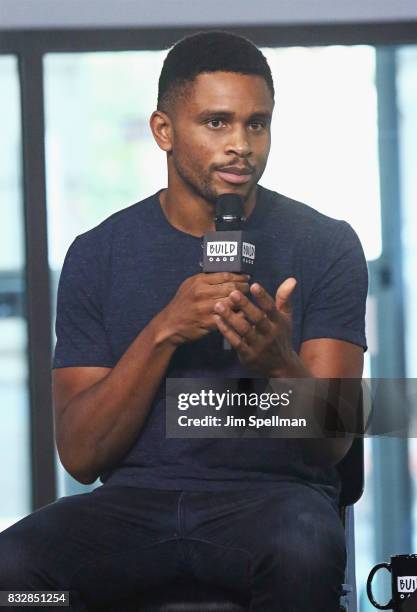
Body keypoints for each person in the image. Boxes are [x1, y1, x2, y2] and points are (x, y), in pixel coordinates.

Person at [0, 30, 368, 611]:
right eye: (217, 123)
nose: (241, 145)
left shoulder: (325, 245)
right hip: (134, 506)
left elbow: (336, 442)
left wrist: (277, 361)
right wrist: (165, 329)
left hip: (272, 500)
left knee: (305, 548)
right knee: (13, 572)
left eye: (257, 123)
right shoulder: (98, 254)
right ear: (163, 131)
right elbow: (81, 455)